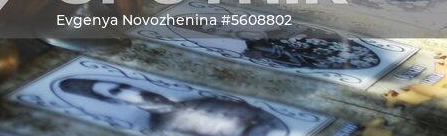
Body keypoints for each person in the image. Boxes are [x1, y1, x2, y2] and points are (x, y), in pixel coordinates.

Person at [55, 77, 289, 135]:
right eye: (118, 92)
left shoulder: (202, 100)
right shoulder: (163, 128)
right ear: (117, 101)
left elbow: (265, 116)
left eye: (123, 84)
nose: (136, 91)